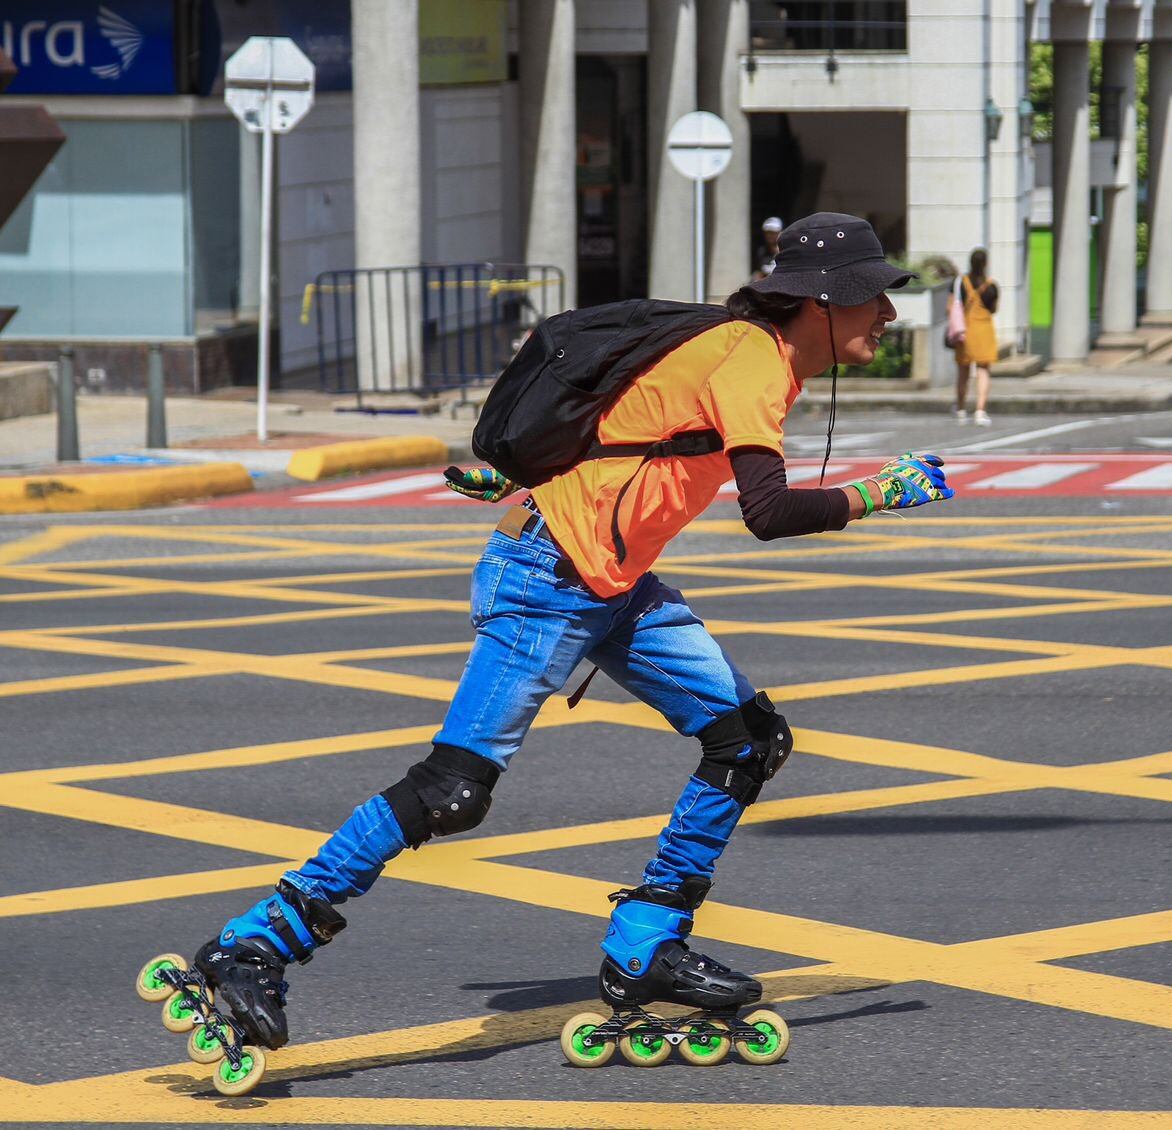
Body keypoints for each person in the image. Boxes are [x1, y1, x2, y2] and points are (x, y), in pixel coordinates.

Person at [173, 213, 955, 1066]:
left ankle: (646, 943)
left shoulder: (741, 349)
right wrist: (883, 492)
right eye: (875, 296)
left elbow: (620, 418)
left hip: (610, 581)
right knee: (452, 790)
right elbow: (767, 513)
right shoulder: (753, 360)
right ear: (823, 300)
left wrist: (527, 472)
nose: (887, 314)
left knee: (748, 740)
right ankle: (256, 943)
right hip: (548, 577)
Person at [953, 248, 999, 426]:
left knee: (963, 371)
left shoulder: (961, 282)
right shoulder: (991, 286)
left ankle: (961, 409)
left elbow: (952, 306)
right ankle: (980, 411)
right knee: (983, 370)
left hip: (966, 330)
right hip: (984, 330)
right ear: (986, 263)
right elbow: (993, 309)